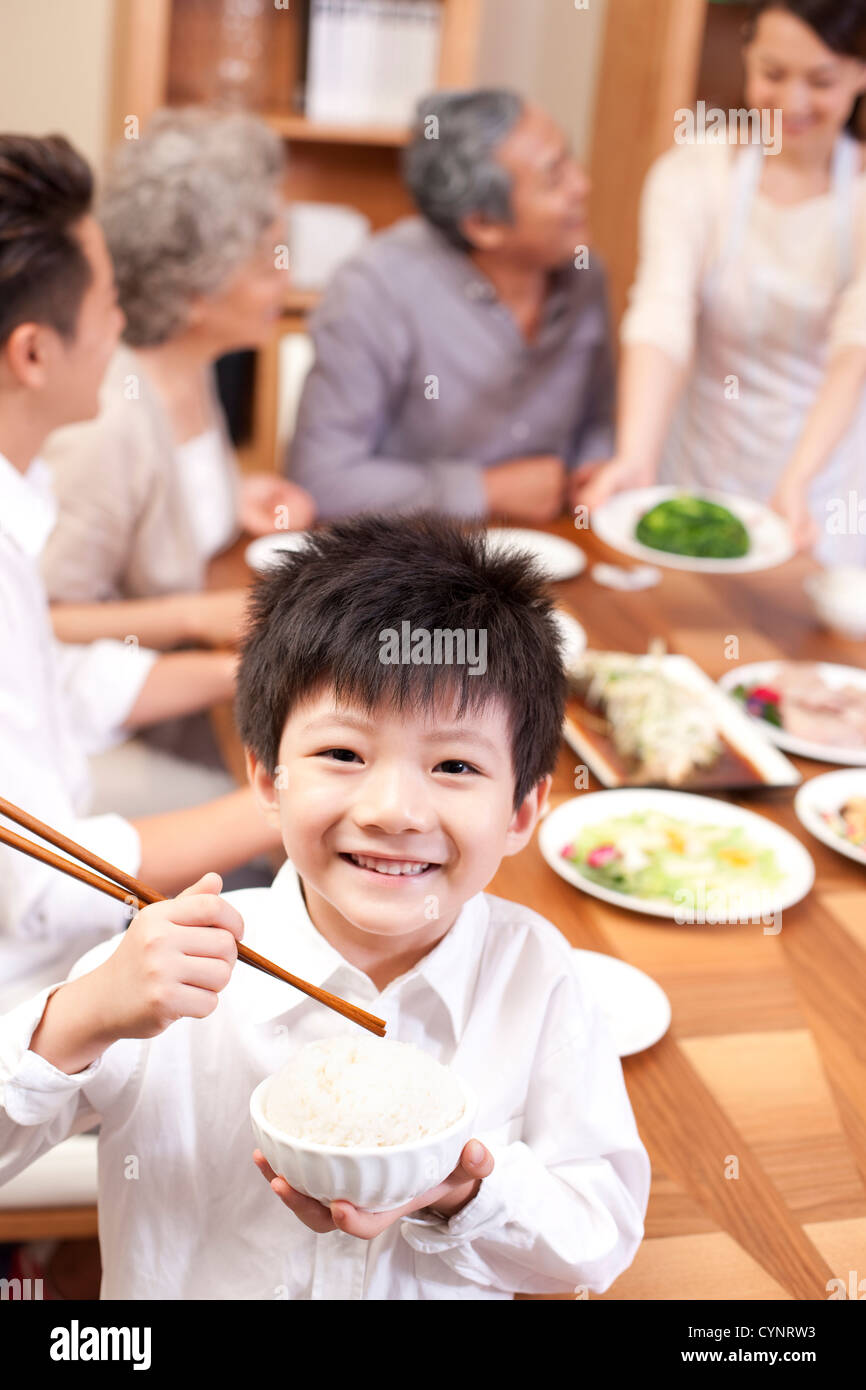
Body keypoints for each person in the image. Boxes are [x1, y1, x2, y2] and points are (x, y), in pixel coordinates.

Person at [0, 515, 650, 1300]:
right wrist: (80, 1018)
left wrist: (463, 1190)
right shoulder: (161, 965)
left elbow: (600, 1236)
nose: (393, 811)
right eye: (344, 753)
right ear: (269, 779)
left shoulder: (533, 973)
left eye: (452, 764)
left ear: (521, 810)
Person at [0, 132, 282, 1014]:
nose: (124, 326)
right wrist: (302, 800)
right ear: (35, 354)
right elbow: (45, 883)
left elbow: (54, 691)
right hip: (34, 1012)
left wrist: (234, 669)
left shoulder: (23, 492)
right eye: (112, 302)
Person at [576, 0, 866, 567]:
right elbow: (661, 315)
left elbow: (854, 350)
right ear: (746, 55)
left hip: (823, 478)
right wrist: (636, 455)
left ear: (860, 73)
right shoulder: (694, 173)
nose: (792, 103)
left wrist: (799, 479)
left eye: (822, 80)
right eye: (772, 74)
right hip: (699, 462)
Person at [40, 108, 315, 652]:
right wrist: (195, 616)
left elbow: (158, 501)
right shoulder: (107, 422)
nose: (288, 280)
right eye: (267, 266)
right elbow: (45, 620)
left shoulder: (192, 366)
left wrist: (232, 496)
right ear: (194, 293)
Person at [287, 89, 614, 525]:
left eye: (570, 159)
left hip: (553, 550)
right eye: (555, 178)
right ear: (483, 225)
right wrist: (484, 490)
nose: (584, 184)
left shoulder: (584, 273)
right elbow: (321, 481)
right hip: (415, 564)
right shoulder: (374, 289)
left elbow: (598, 419)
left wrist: (593, 468)